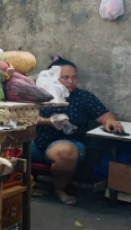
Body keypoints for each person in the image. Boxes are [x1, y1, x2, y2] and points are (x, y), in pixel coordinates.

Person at [34, 57, 124, 206]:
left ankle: (60, 190)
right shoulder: (40, 95)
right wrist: (49, 122)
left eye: (74, 77)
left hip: (67, 142)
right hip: (36, 140)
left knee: (66, 152)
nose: (71, 81)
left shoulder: (84, 97)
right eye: (65, 77)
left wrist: (110, 121)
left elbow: (104, 114)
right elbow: (24, 117)